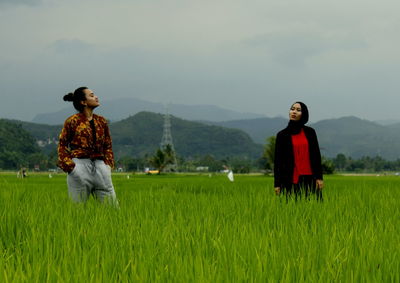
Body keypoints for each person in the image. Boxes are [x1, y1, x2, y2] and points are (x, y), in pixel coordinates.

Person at [57, 87, 118, 204]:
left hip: (101, 167)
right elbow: (62, 145)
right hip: (79, 166)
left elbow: (108, 145)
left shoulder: (101, 121)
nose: (96, 97)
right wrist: (71, 168)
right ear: (83, 102)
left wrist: (108, 166)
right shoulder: (72, 121)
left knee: (112, 210)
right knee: (77, 212)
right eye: (91, 95)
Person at [274, 102, 324, 201]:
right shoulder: (282, 135)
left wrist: (319, 177)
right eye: (292, 109)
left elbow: (316, 156)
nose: (294, 112)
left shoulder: (310, 132)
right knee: (291, 210)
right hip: (290, 179)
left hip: (310, 179)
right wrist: (277, 184)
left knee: (315, 210)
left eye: (298, 110)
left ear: (303, 114)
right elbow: (278, 161)